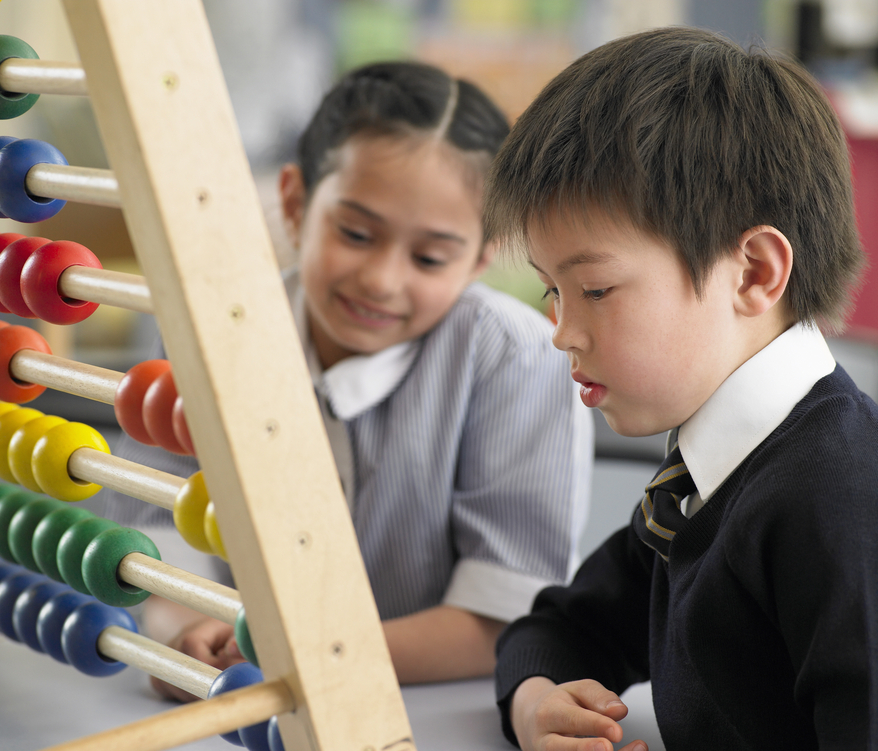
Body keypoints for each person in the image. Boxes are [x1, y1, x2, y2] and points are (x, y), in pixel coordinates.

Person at [101, 61, 594, 699]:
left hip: (436, 708)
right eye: (356, 233)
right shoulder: (211, 337)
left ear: (481, 256)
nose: (381, 279)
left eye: (429, 257)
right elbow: (156, 532)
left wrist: (291, 659)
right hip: (245, 705)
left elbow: (501, 611)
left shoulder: (515, 358)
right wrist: (184, 633)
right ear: (295, 202)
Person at [486, 26, 877, 751]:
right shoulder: (703, 477)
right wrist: (539, 705)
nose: (561, 332)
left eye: (596, 288)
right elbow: (559, 627)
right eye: (552, 291)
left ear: (754, 272)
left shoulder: (838, 495)